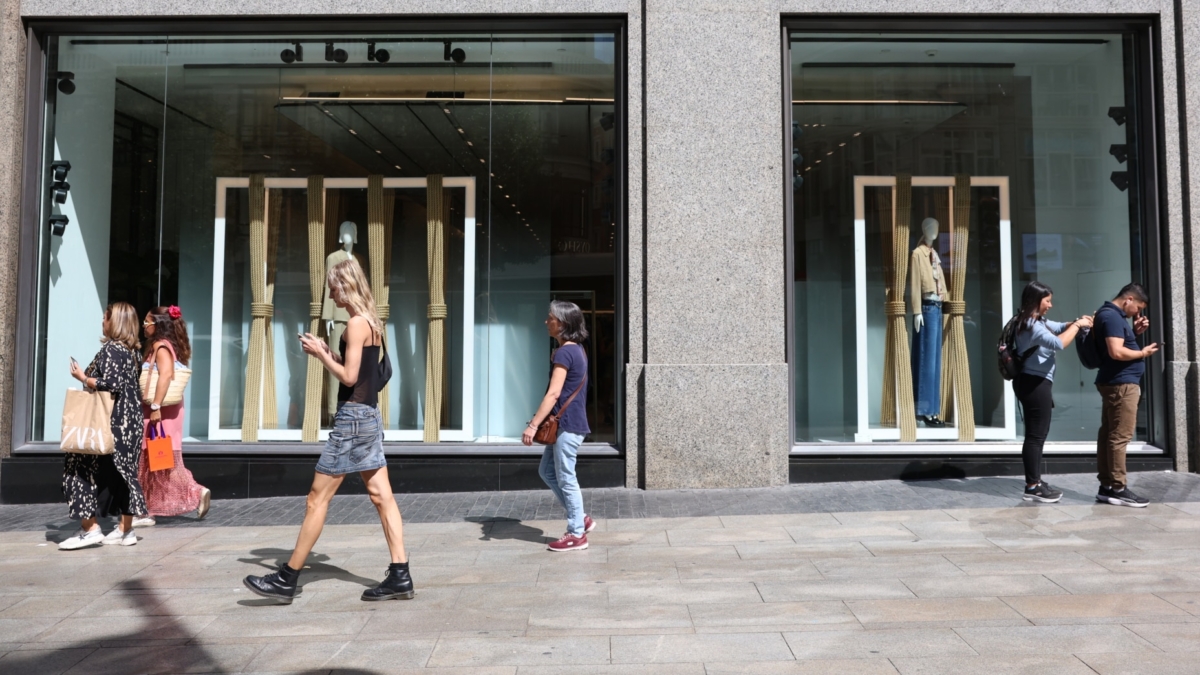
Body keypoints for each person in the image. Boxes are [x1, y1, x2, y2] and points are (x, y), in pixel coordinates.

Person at [244, 258, 412, 604]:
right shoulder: (373, 322)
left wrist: (320, 353)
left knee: (316, 499)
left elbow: (350, 378)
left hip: (352, 420)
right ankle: (400, 575)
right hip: (369, 417)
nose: (331, 294)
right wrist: (329, 350)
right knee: (383, 497)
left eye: (333, 287)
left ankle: (287, 579)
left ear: (345, 285)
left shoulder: (354, 323)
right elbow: (364, 372)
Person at [60, 302, 148, 549]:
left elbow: (111, 383)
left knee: (76, 467)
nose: (102, 322)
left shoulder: (110, 350)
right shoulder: (133, 353)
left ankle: (90, 529)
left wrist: (83, 377)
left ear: (115, 321)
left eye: (105, 318)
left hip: (106, 422)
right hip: (130, 421)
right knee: (124, 474)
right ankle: (125, 530)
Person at [523, 300, 594, 552]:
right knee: (547, 471)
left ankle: (577, 534)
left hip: (567, 425)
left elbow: (553, 394)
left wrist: (533, 426)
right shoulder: (578, 350)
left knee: (566, 478)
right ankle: (581, 517)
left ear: (562, 323)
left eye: (550, 317)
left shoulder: (565, 352)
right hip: (570, 424)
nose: (546, 321)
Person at [1012, 282, 1092, 503]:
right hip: (1033, 384)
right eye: (1047, 300)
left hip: (1033, 382)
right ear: (1036, 301)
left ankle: (1035, 481)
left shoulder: (1036, 320)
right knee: (1036, 436)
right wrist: (1077, 327)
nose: (1050, 304)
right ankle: (1032, 486)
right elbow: (1058, 342)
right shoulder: (1031, 325)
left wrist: (1077, 322)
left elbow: (1057, 327)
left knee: (1038, 435)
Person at [134, 305, 210, 527]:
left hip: (160, 411)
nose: (143, 326)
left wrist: (156, 406)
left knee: (159, 459)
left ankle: (196, 492)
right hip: (167, 410)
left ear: (157, 325)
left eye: (147, 322)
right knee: (157, 460)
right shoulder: (168, 346)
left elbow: (165, 375)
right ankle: (147, 510)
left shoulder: (161, 347)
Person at [1092, 283, 1159, 507]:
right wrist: (1143, 352)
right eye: (1138, 307)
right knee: (1119, 437)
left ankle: (1107, 486)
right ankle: (1118, 487)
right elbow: (1116, 351)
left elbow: (1118, 345)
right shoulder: (1111, 317)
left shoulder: (1113, 316)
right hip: (1121, 385)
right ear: (1128, 299)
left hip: (1115, 382)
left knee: (1109, 435)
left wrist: (1135, 332)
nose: (1138, 313)